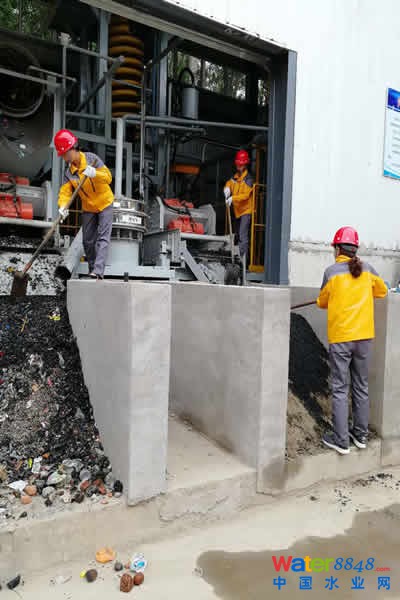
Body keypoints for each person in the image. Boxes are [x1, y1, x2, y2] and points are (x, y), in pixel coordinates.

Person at [317, 227, 387, 455]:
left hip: (341, 338)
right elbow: (382, 291)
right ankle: (361, 436)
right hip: (364, 338)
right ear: (355, 249)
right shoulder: (368, 269)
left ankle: (341, 440)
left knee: (340, 388)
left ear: (338, 249)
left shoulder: (331, 272)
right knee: (361, 386)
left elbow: (322, 302)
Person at [54, 129, 114, 280]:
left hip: (105, 203)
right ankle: (92, 270)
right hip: (88, 207)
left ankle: (98, 271)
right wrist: (63, 206)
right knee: (87, 241)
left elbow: (108, 177)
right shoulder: (69, 173)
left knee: (103, 238)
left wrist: (95, 173)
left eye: (65, 154)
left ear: (72, 148)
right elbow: (65, 192)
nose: (64, 158)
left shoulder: (92, 159)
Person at [224, 150, 253, 264]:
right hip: (237, 211)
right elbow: (229, 183)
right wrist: (226, 189)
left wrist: (233, 198)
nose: (238, 166)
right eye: (237, 164)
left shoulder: (248, 179)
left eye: (240, 164)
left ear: (245, 164)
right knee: (236, 235)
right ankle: (236, 259)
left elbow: (245, 195)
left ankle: (243, 262)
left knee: (242, 235)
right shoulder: (235, 177)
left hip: (246, 211)